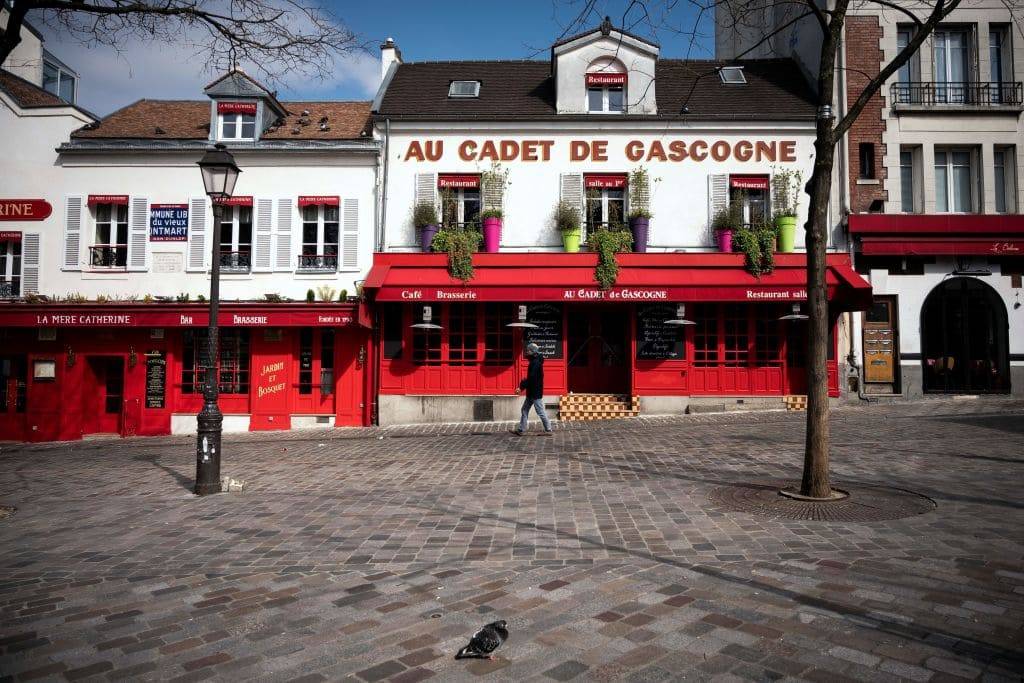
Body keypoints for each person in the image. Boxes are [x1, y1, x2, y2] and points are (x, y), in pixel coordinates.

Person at [512, 342, 553, 436]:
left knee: (540, 411)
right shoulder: (534, 362)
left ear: (533, 352)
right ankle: (521, 430)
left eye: (528, 350)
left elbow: (531, 378)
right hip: (531, 392)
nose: (527, 352)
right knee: (524, 410)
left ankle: (548, 429)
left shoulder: (536, 363)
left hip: (535, 392)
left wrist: (521, 387)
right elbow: (531, 378)